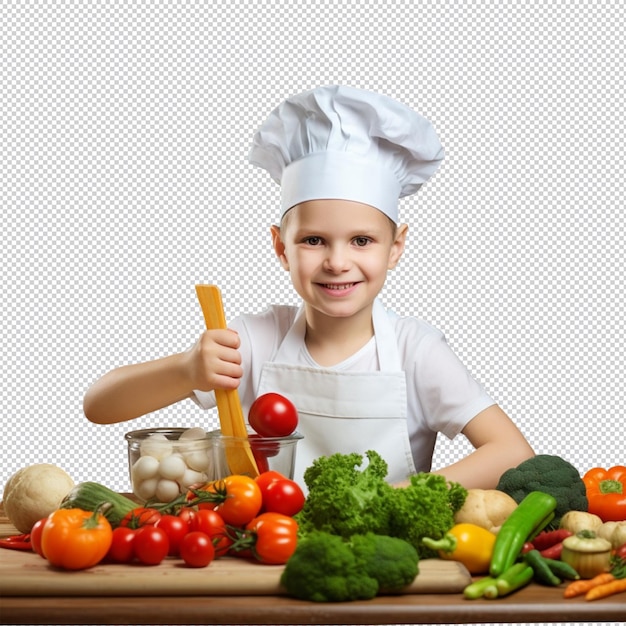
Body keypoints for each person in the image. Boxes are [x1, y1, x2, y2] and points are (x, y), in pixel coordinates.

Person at [84, 85, 534, 489]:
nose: (338, 262)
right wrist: (185, 370)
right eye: (314, 240)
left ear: (395, 248)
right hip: (259, 555)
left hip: (376, 565)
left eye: (362, 241)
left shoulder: (417, 352)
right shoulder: (255, 340)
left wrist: (392, 497)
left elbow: (513, 454)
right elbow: (99, 405)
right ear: (281, 248)